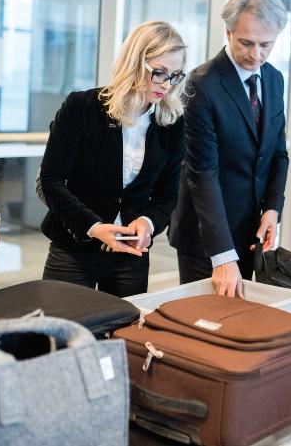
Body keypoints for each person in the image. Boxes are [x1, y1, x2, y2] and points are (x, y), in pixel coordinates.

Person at [38, 21, 186, 297]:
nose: (166, 85)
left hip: (131, 253)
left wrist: (148, 223)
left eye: (174, 76)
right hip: (73, 249)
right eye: (159, 73)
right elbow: (51, 181)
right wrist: (93, 227)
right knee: (63, 332)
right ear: (134, 63)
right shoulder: (82, 107)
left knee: (123, 334)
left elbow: (167, 196)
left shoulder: (172, 123)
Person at [168, 0, 290, 297]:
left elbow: (278, 153)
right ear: (228, 31)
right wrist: (221, 255)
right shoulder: (202, 84)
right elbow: (202, 173)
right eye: (246, 42)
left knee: (238, 323)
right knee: (204, 328)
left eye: (267, 44)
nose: (256, 54)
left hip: (250, 231)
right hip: (206, 235)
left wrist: (272, 208)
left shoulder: (274, 79)